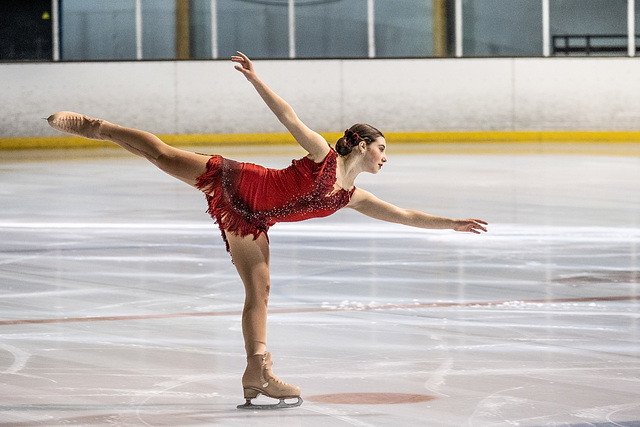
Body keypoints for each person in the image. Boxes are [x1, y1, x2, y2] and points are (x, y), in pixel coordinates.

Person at [46, 51, 488, 409]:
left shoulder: (349, 196)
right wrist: (256, 80)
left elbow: (404, 215)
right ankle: (95, 126)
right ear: (360, 144)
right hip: (237, 180)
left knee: (260, 292)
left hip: (251, 220)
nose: (385, 158)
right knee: (161, 155)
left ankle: (256, 371)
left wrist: (451, 223)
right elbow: (289, 117)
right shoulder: (323, 158)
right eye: (382, 148)